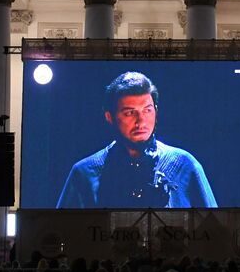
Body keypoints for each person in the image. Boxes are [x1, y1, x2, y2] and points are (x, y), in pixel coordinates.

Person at [56, 72, 216, 209]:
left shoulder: (185, 165)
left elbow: (216, 232)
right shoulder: (84, 173)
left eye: (147, 110)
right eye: (129, 113)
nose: (141, 121)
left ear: (156, 111)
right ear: (109, 117)